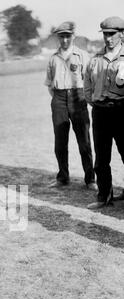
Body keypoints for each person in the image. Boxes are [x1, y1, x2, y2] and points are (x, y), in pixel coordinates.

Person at [45, 21, 96, 190]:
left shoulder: (82, 55)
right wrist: (60, 97)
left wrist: (78, 96)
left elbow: (90, 81)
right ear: (58, 38)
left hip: (77, 96)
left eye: (67, 36)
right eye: (61, 37)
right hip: (59, 98)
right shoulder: (53, 58)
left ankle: (90, 179)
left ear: (73, 36)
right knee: (60, 141)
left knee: (84, 141)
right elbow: (50, 85)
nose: (65, 40)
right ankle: (63, 177)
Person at [84, 16, 124, 209]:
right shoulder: (95, 60)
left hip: (122, 111)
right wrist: (99, 105)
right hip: (100, 112)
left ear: (121, 34)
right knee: (101, 158)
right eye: (106, 34)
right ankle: (104, 196)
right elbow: (87, 90)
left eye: (112, 34)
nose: (108, 38)